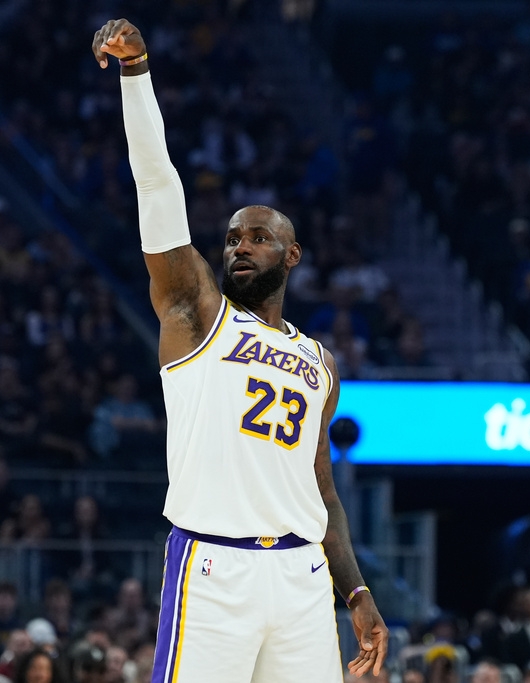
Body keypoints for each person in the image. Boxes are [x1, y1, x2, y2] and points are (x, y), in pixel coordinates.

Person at [92, 18, 388, 681]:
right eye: (232, 238)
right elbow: (159, 189)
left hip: (304, 575)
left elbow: (323, 491)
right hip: (214, 566)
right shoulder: (196, 313)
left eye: (257, 237)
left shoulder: (320, 362)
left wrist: (357, 592)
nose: (240, 246)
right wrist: (137, 74)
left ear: (293, 254)